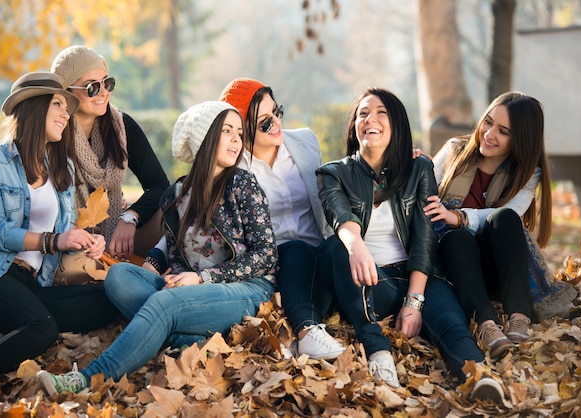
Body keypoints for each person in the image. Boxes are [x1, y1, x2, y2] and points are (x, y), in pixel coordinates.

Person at [37, 101, 278, 395]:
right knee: (119, 277)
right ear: (204, 138)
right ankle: (185, 341)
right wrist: (174, 278)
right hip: (190, 291)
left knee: (163, 304)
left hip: (246, 288)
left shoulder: (242, 184)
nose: (236, 140)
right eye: (226, 131)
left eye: (238, 133)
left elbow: (266, 255)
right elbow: (177, 255)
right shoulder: (177, 194)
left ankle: (85, 379)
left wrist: (203, 278)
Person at [315, 88, 503, 401]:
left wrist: (414, 301)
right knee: (338, 247)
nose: (370, 119)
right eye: (363, 113)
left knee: (452, 326)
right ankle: (378, 352)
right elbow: (339, 214)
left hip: (419, 277)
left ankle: (480, 378)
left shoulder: (419, 169)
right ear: (354, 126)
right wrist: (356, 245)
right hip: (369, 280)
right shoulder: (333, 173)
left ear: (397, 124)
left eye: (381, 113)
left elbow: (424, 235)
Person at [0, 72, 119, 375]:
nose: (67, 114)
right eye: (59, 104)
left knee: (109, 299)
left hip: (33, 284)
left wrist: (86, 241)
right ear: (35, 108)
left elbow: (62, 236)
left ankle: (1, 331)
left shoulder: (63, 169)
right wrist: (53, 241)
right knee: (43, 328)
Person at [218, 78, 344, 360]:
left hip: (318, 252)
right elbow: (195, 212)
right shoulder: (233, 167)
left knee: (337, 247)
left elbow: (341, 178)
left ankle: (307, 331)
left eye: (276, 112)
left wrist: (394, 164)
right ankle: (306, 330)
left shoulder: (304, 141)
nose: (276, 123)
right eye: (264, 121)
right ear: (242, 129)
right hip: (274, 263)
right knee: (295, 248)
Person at [423, 91, 552, 359]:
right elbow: (422, 195)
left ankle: (519, 316)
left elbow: (505, 213)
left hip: (496, 271)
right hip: (454, 267)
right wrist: (413, 168)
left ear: (521, 140)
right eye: (488, 122)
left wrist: (460, 217)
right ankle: (487, 324)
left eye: (503, 131)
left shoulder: (527, 174)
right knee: (457, 238)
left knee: (504, 219)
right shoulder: (454, 152)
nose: (489, 134)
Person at [51, 45, 169, 258]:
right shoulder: (53, 132)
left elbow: (159, 185)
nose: (104, 92)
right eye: (92, 87)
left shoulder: (121, 126)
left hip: (116, 233)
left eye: (107, 83)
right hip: (65, 240)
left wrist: (130, 216)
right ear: (66, 93)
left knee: (174, 210)